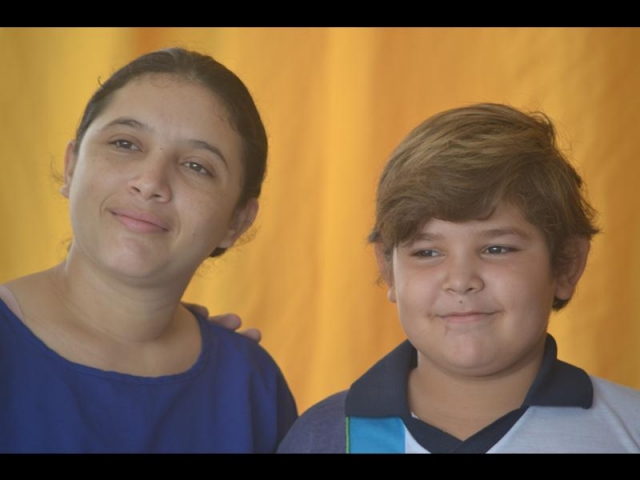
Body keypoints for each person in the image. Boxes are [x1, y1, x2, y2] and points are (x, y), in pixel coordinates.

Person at [277, 102, 640, 453]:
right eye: (427, 252)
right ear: (388, 269)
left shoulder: (629, 429)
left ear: (566, 264)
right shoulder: (321, 437)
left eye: (497, 249)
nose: (461, 280)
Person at [0, 47, 297, 453]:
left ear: (236, 222)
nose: (151, 181)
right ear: (71, 167)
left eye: (197, 166)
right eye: (125, 143)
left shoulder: (251, 386)